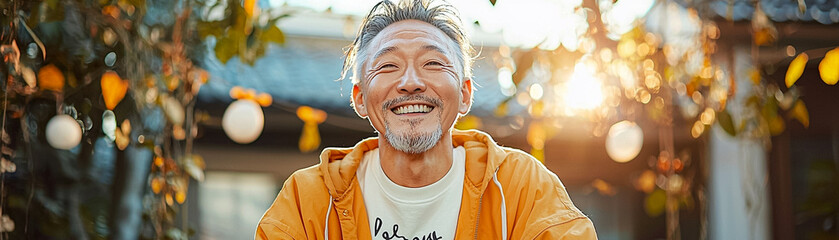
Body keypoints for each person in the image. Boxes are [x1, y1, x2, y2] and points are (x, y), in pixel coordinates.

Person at [256, 0, 597, 239]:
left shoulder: (521, 187)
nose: (410, 82)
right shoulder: (309, 199)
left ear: (465, 94)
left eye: (433, 63)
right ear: (360, 98)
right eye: (388, 66)